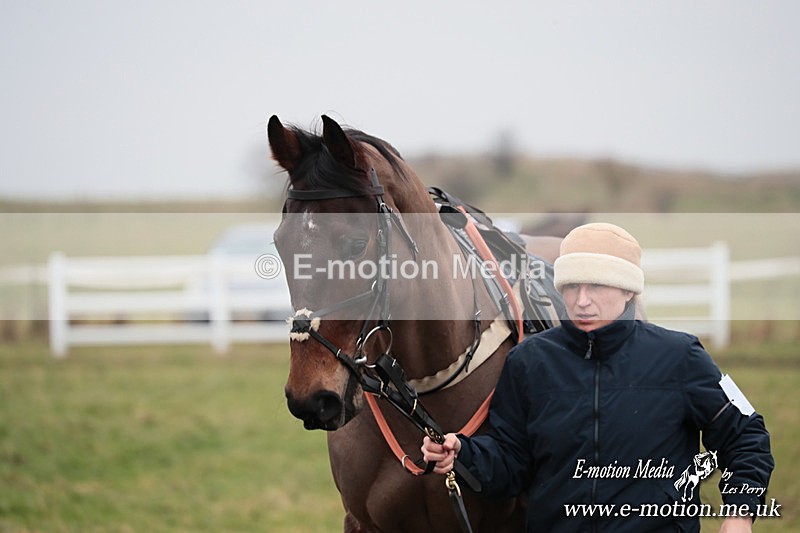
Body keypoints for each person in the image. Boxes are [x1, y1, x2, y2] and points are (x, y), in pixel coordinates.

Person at [422, 223, 773, 532]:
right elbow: (512, 463)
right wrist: (463, 454)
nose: (582, 301)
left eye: (596, 286)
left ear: (628, 290)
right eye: (572, 286)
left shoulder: (681, 357)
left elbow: (746, 435)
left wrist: (739, 515)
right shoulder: (528, 362)